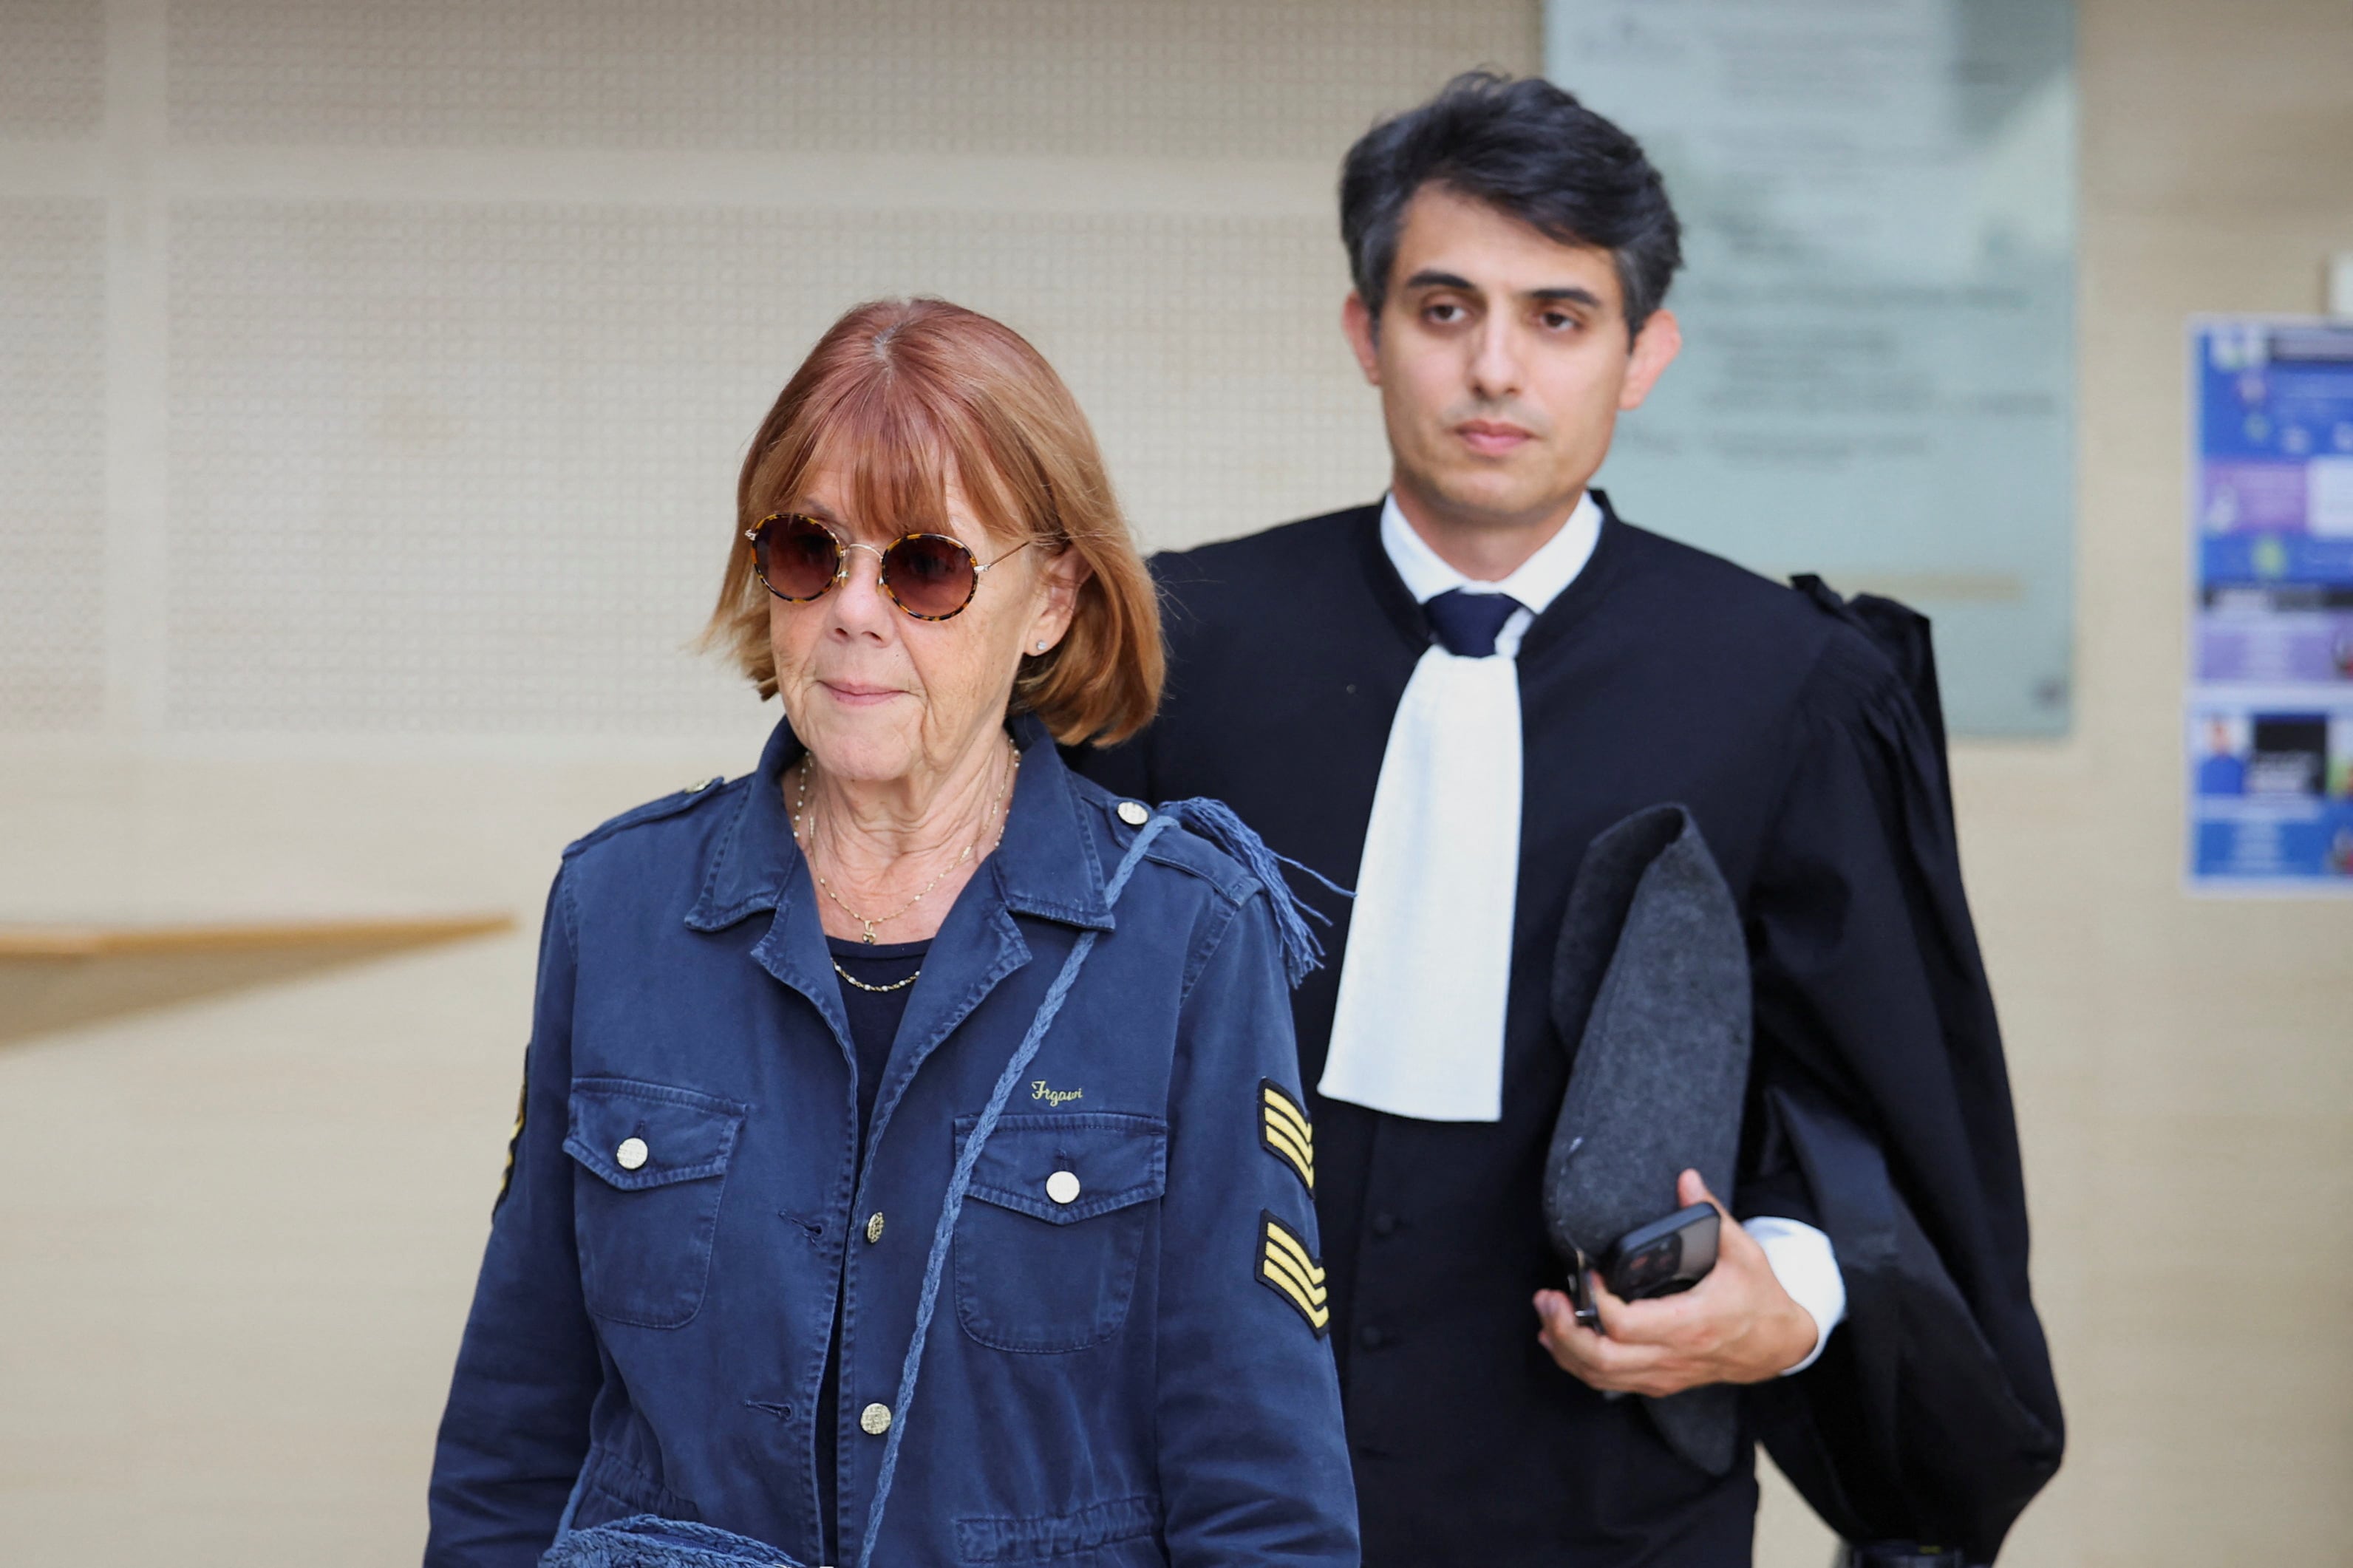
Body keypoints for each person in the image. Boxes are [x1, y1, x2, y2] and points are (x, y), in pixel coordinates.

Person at [1076, 73, 2061, 1567]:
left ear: (1640, 353)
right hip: (1198, 1481)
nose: (1493, 372)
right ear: (1363, 330)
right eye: (1442, 308)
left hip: (1608, 1496)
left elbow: (1872, 1103)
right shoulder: (1175, 645)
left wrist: (1784, 1291)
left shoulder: (1785, 684)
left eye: (1557, 316)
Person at [426, 298, 1360, 1567]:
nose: (857, 611)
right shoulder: (619, 904)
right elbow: (513, 1434)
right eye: (813, 551)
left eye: (926, 565)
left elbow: (1260, 1488)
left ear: (1051, 599)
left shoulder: (1186, 930)